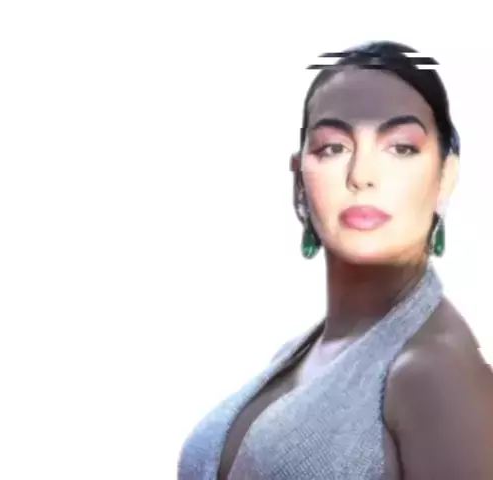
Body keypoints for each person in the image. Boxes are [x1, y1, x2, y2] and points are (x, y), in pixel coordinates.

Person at [177, 41, 493, 479]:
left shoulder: (435, 373)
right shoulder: (302, 351)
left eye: (400, 147)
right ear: (299, 179)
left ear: (445, 176)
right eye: (333, 148)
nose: (361, 175)